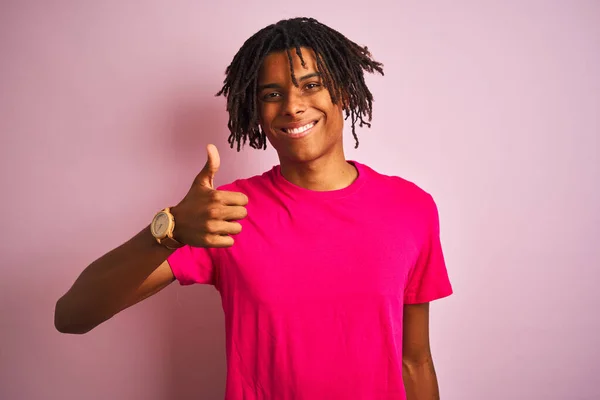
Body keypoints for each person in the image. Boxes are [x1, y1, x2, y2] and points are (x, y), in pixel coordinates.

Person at [55, 17, 453, 400]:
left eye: (311, 85)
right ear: (257, 111)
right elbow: (72, 316)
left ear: (344, 92)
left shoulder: (410, 208)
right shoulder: (222, 214)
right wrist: (169, 229)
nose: (293, 106)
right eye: (272, 94)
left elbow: (414, 362)